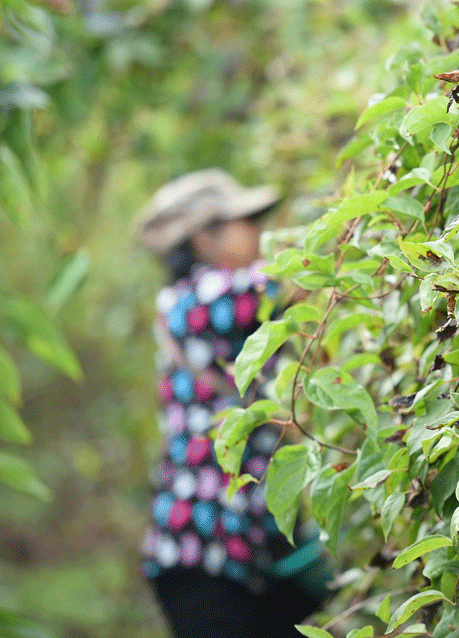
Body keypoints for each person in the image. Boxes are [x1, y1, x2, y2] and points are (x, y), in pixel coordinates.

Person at [135, 169, 333, 638]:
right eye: (246, 221)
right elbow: (288, 278)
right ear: (204, 237)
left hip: (249, 554)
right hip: (203, 559)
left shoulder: (208, 303)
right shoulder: (193, 303)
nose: (258, 234)